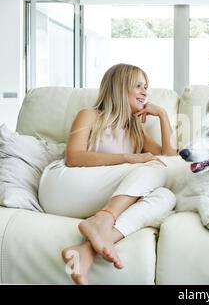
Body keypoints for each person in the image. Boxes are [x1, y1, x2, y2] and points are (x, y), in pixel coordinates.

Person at [38, 63, 177, 285]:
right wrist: (129, 158)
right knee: (154, 168)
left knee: (167, 196)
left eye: (146, 87)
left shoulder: (136, 130)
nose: (145, 92)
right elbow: (74, 157)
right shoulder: (90, 115)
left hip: (94, 198)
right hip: (61, 188)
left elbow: (171, 160)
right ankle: (103, 221)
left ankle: (86, 249)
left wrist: (162, 115)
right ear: (120, 88)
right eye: (138, 86)